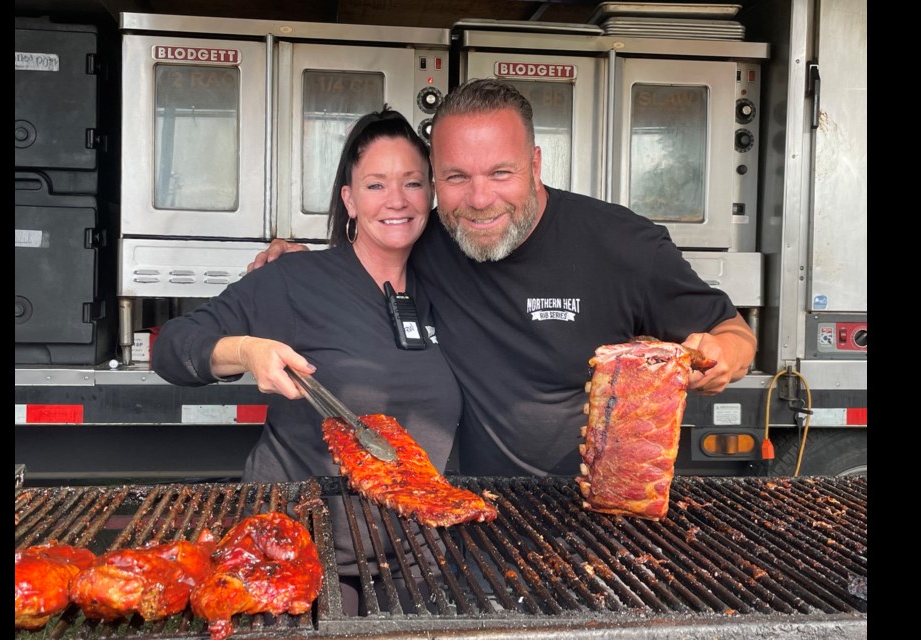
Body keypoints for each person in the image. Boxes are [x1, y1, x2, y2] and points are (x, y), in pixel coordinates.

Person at [250, 78, 757, 478]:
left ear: (535, 164)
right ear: (436, 179)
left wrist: (721, 358)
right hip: (468, 508)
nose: (478, 199)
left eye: (499, 173)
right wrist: (298, 262)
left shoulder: (622, 243)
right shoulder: (435, 238)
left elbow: (734, 334)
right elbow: (373, 244)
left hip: (589, 508)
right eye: (456, 177)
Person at [151, 108, 461, 608]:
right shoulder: (294, 280)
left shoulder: (446, 288)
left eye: (413, 183)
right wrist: (248, 350)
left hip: (412, 560)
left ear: (431, 195)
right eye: (376, 185)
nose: (397, 200)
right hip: (299, 554)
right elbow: (171, 348)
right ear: (349, 199)